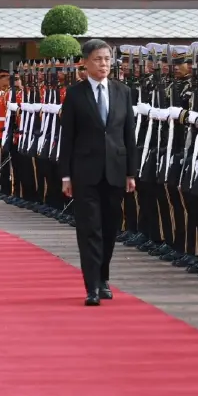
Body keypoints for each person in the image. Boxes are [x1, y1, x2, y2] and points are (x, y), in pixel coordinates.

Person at [59, 39, 137, 306]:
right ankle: (91, 286)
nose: (103, 64)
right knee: (89, 228)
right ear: (85, 63)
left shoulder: (123, 91)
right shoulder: (75, 94)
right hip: (85, 172)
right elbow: (67, 138)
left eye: (107, 59)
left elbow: (129, 134)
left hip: (115, 170)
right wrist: (66, 176)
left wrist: (131, 172)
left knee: (110, 227)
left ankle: (103, 277)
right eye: (97, 59)